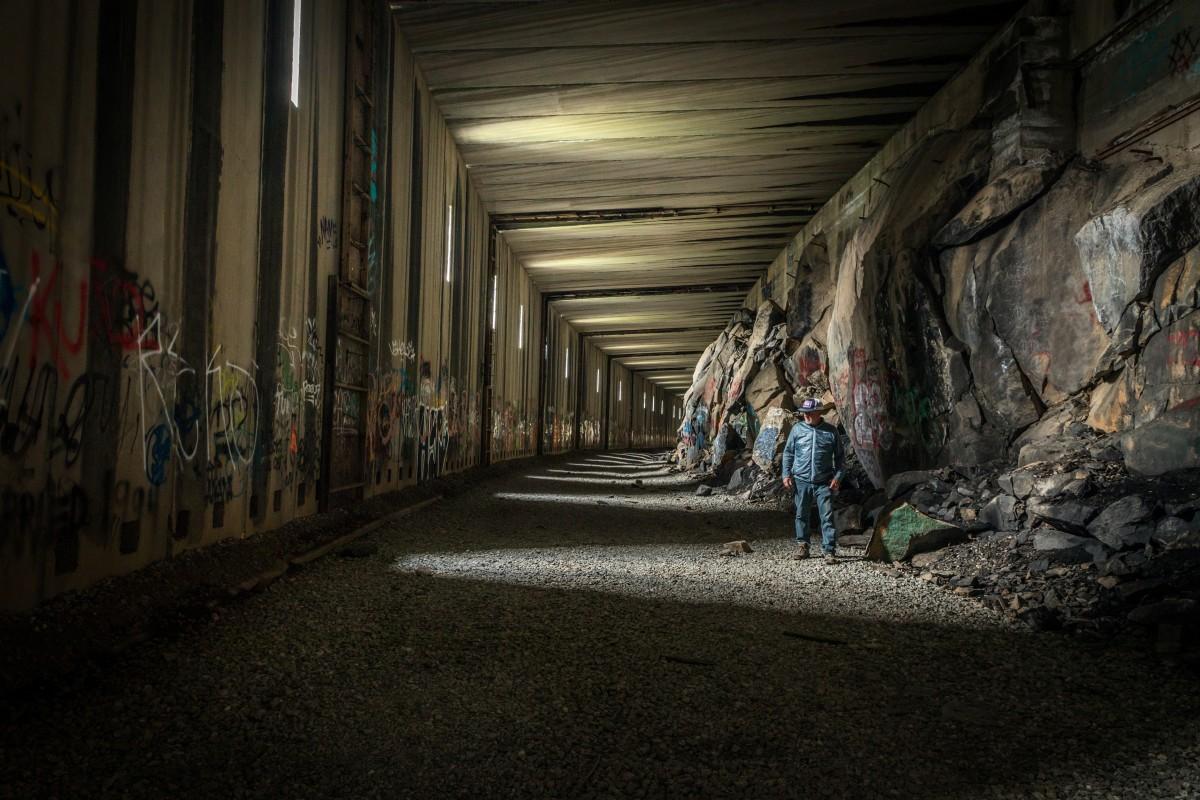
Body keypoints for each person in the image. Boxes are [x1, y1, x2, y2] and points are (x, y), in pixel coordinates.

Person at [781, 397, 845, 564]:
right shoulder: (797, 430)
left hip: (824, 482)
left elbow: (840, 458)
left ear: (819, 412)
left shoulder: (831, 431)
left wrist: (837, 477)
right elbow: (788, 453)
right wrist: (786, 474)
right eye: (804, 413)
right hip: (801, 480)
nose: (806, 416)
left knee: (827, 517)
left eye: (810, 413)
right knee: (801, 514)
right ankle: (803, 545)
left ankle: (829, 550)